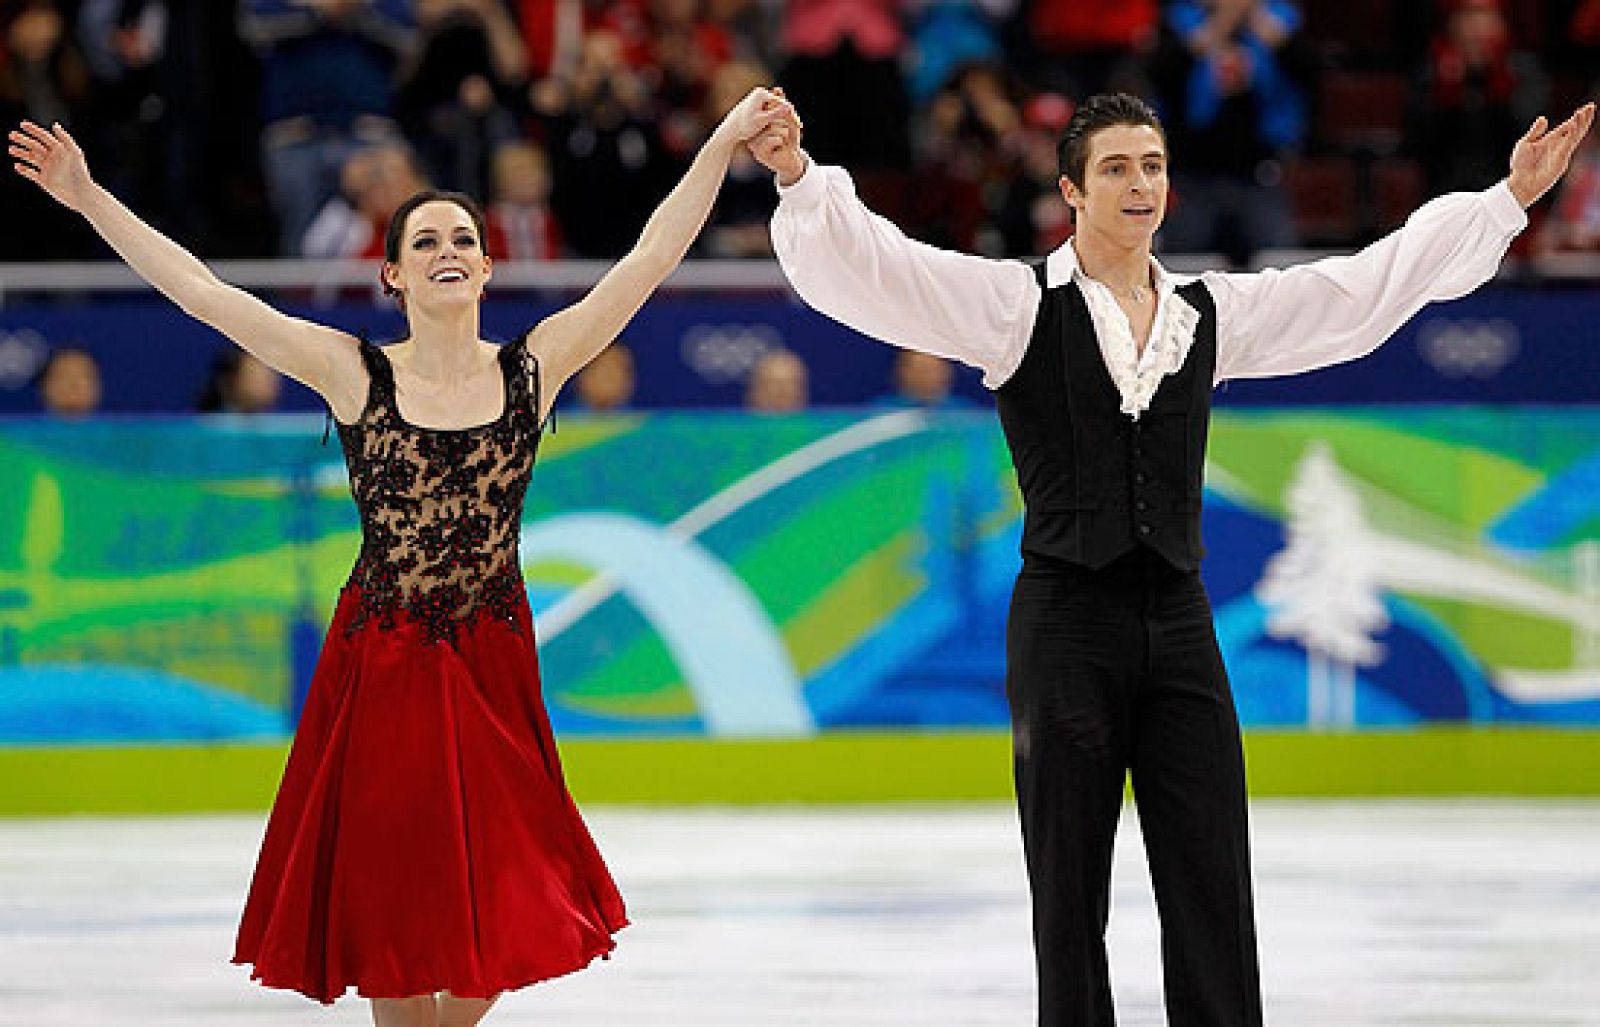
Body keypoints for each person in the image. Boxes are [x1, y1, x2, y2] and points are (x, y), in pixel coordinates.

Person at [750, 91, 1594, 1026]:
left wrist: (1506, 201)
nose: (1139, 184)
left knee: (1212, 881)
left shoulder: (1209, 313)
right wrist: (798, 175)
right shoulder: (1012, 305)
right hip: (1066, 623)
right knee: (1069, 895)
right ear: (1071, 189)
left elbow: (1357, 293)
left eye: (1151, 166)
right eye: (1115, 168)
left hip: (1179, 624)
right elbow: (884, 271)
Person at [10, 84, 792, 1026]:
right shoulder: (354, 371)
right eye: (424, 242)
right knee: (393, 905)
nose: (446, 253)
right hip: (382, 656)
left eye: (462, 239)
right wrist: (91, 197)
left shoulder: (536, 365)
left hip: (493, 658)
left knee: (517, 888)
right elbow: (206, 295)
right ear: (394, 276)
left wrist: (718, 140)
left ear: (489, 266)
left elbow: (654, 254)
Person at [34, 345, 102, 418]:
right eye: (64, 376)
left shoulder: (113, 428)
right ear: (45, 386)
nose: (74, 384)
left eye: (84, 376)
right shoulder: (26, 428)